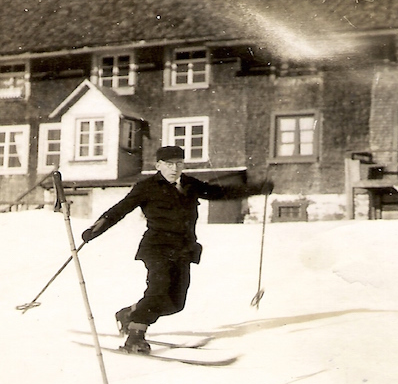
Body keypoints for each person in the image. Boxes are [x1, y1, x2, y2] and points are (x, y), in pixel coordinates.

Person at [80, 146, 273, 354]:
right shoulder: (147, 186)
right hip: (157, 248)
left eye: (179, 164)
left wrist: (255, 189)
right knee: (158, 289)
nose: (175, 168)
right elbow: (120, 209)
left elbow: (219, 193)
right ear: (158, 165)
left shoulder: (190, 184)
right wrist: (95, 229)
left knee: (175, 303)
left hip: (183, 250)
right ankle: (135, 335)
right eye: (169, 164)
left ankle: (129, 314)